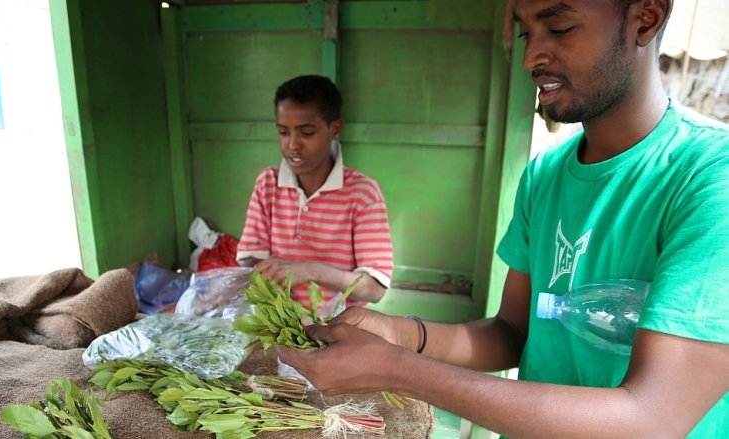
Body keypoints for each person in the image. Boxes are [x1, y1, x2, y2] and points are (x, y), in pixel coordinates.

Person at [276, 1, 729, 438]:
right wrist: (400, 333)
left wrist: (395, 368)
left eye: (561, 27)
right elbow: (512, 331)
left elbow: (652, 419)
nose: (532, 54)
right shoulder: (545, 175)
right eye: (526, 31)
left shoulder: (710, 178)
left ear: (645, 18)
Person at [236, 75, 394, 309]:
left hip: (342, 328)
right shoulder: (267, 184)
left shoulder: (362, 194)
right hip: (281, 324)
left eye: (306, 133)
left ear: (335, 128)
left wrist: (311, 270)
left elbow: (375, 288)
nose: (292, 145)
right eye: (283, 132)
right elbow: (252, 260)